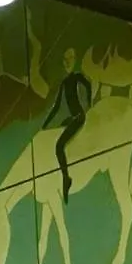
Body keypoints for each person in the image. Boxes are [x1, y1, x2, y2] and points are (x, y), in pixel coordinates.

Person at [42, 47, 92, 203]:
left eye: (69, 59)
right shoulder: (65, 82)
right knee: (61, 127)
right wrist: (45, 125)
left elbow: (88, 85)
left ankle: (66, 177)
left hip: (79, 117)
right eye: (65, 59)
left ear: (74, 60)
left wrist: (89, 104)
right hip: (72, 117)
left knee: (59, 146)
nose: (67, 62)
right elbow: (56, 106)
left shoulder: (77, 77)